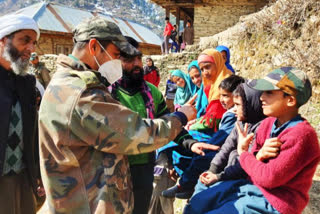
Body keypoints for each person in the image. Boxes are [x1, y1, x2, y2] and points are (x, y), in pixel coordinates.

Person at [38, 16, 197, 214]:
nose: (117, 62)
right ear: (94, 47)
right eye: (115, 54)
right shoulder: (81, 92)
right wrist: (180, 118)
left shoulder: (70, 83)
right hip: (86, 204)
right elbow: (134, 133)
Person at [184, 67, 320, 214]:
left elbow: (269, 177)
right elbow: (253, 160)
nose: (262, 97)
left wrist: (244, 154)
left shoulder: (301, 135)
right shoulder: (269, 124)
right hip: (251, 187)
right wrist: (258, 155)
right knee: (196, 204)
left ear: (290, 100)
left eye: (269, 93)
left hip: (276, 202)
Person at [162, 75, 244, 199]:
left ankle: (186, 184)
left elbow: (217, 130)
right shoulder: (224, 107)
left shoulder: (234, 114)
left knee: (202, 155)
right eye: (220, 95)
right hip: (218, 138)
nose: (221, 99)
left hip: (221, 143)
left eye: (226, 96)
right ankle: (180, 176)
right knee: (180, 144)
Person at [0, 14, 42, 214]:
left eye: (33, 42)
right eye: (24, 40)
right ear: (3, 40)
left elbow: (33, 133)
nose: (31, 48)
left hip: (23, 178)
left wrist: (38, 174)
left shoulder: (28, 84)